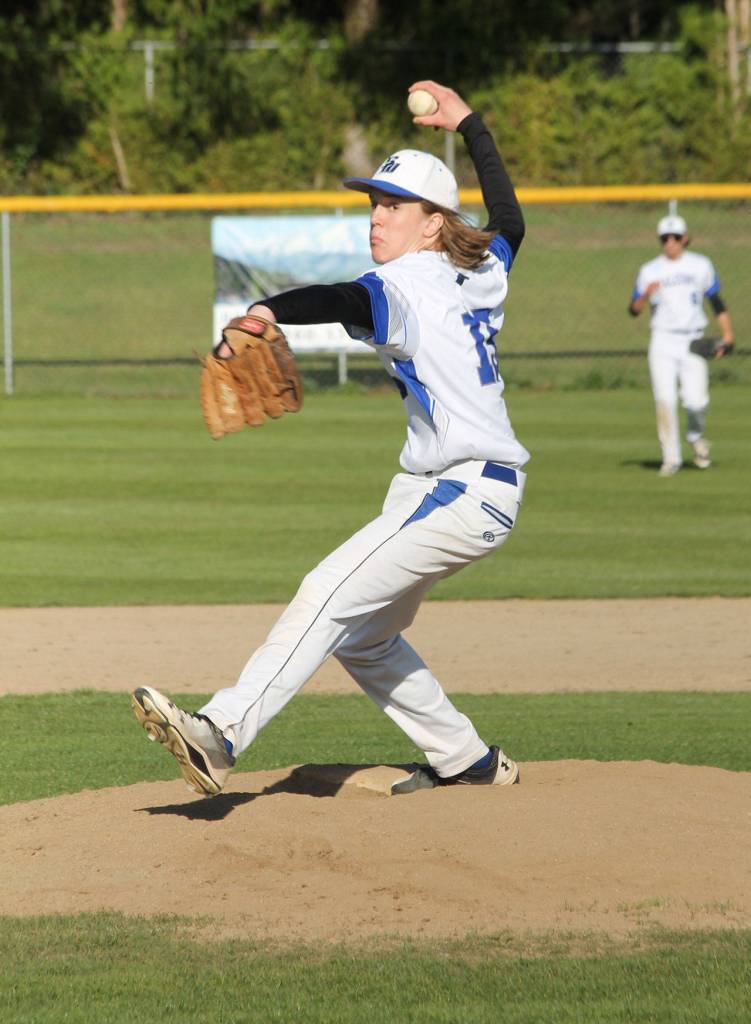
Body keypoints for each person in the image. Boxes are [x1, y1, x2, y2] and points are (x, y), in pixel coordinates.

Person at [131, 80, 529, 797]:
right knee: (365, 636)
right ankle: (464, 757)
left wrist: (264, 310)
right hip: (451, 487)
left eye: (393, 205)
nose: (376, 217)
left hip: (460, 489)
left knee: (326, 588)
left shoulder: (404, 286)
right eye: (373, 202)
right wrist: (468, 123)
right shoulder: (481, 271)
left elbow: (341, 298)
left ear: (433, 223)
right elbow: (509, 217)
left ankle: (220, 733)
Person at [629, 214, 734, 476]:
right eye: (665, 238)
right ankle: (671, 458)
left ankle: (695, 436)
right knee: (665, 400)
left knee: (696, 401)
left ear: (685, 238)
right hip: (663, 339)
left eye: (675, 237)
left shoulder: (701, 265)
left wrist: (727, 334)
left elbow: (716, 301)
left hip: (693, 339)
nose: (670, 243)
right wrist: (645, 295)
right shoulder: (650, 270)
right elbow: (633, 309)